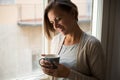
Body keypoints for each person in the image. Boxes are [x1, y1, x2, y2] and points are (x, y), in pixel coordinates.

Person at [39, 0, 106, 80]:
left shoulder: (92, 45)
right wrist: (47, 66)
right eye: (52, 22)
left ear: (73, 13)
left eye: (58, 19)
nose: (55, 26)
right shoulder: (56, 41)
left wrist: (68, 73)